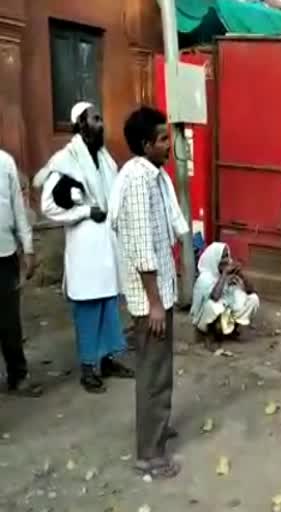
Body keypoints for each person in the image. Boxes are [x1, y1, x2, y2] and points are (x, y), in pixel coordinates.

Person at [35, 102, 133, 394]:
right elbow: (48, 206)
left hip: (107, 247)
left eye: (101, 118)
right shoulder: (66, 161)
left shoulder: (105, 159)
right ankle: (88, 367)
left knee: (108, 305)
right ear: (80, 124)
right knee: (88, 308)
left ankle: (107, 360)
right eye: (96, 119)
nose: (101, 124)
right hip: (85, 249)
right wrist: (85, 213)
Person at [112, 106, 189, 479]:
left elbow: (170, 231)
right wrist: (155, 302)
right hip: (150, 299)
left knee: (159, 369)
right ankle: (149, 454)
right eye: (162, 139)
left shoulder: (154, 175)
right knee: (153, 373)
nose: (168, 145)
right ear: (145, 144)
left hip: (160, 291)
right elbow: (143, 247)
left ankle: (156, 428)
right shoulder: (138, 180)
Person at [0, 149, 41, 397]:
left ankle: (18, 375)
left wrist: (28, 248)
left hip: (4, 255)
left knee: (9, 321)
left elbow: (17, 206)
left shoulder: (5, 162)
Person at [191, 242, 259, 349]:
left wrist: (240, 274)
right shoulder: (205, 277)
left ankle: (232, 330)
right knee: (213, 306)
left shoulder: (228, 270)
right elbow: (215, 297)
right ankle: (210, 335)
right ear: (215, 258)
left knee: (253, 299)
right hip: (206, 314)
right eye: (223, 257)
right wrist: (224, 275)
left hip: (226, 307)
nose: (227, 260)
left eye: (227, 255)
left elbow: (253, 291)